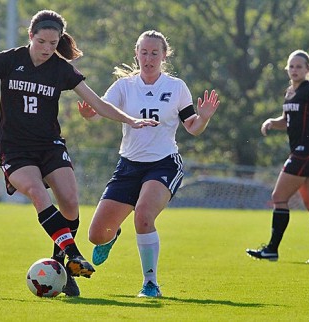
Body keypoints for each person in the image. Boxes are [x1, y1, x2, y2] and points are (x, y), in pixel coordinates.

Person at [0, 10, 158, 297]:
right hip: (15, 149)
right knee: (37, 193)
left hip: (49, 144)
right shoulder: (10, 60)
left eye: (53, 44)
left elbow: (97, 103)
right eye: (41, 41)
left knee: (69, 201)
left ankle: (61, 266)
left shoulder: (61, 69)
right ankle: (74, 254)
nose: (46, 49)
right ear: (30, 36)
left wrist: (129, 120)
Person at [79, 30, 220, 297]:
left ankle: (150, 283)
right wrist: (89, 114)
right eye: (144, 52)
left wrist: (204, 118)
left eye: (155, 52)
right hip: (129, 165)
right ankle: (113, 234)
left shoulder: (176, 87)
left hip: (164, 164)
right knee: (97, 235)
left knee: (144, 215)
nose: (149, 57)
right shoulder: (124, 86)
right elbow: (100, 112)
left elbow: (193, 127)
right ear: (136, 54)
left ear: (164, 55)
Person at [246, 50, 309, 263]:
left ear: (308, 69)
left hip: (308, 152)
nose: (295, 70)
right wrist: (272, 122)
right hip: (302, 152)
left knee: (279, 197)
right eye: (292, 66)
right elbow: (287, 120)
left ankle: (271, 249)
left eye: (299, 66)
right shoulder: (289, 92)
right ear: (287, 68)